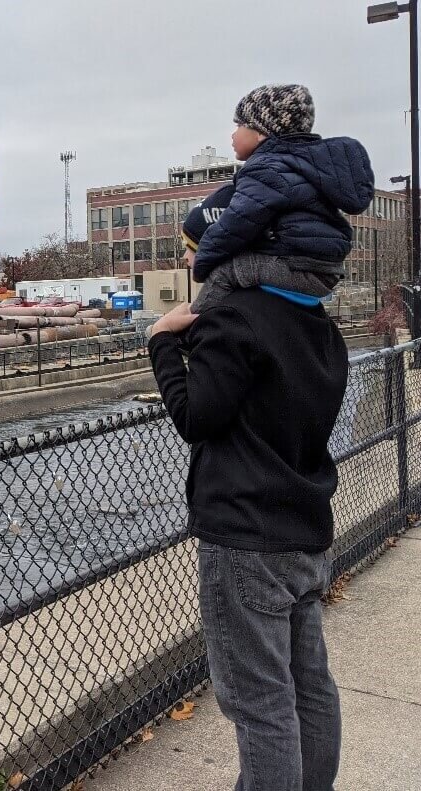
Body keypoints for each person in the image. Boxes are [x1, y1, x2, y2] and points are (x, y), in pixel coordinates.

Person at [148, 240, 354, 784]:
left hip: (245, 538)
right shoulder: (311, 316)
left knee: (262, 707)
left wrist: (161, 343)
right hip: (304, 528)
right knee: (310, 687)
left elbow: (196, 416)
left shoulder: (233, 318)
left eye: (192, 249)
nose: (188, 262)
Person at [185, 84, 373, 312]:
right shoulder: (302, 165)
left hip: (298, 267)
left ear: (261, 131)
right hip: (324, 267)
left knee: (227, 272)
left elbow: (236, 223)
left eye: (239, 125)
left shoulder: (265, 168)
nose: (233, 134)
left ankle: (194, 326)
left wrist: (203, 261)